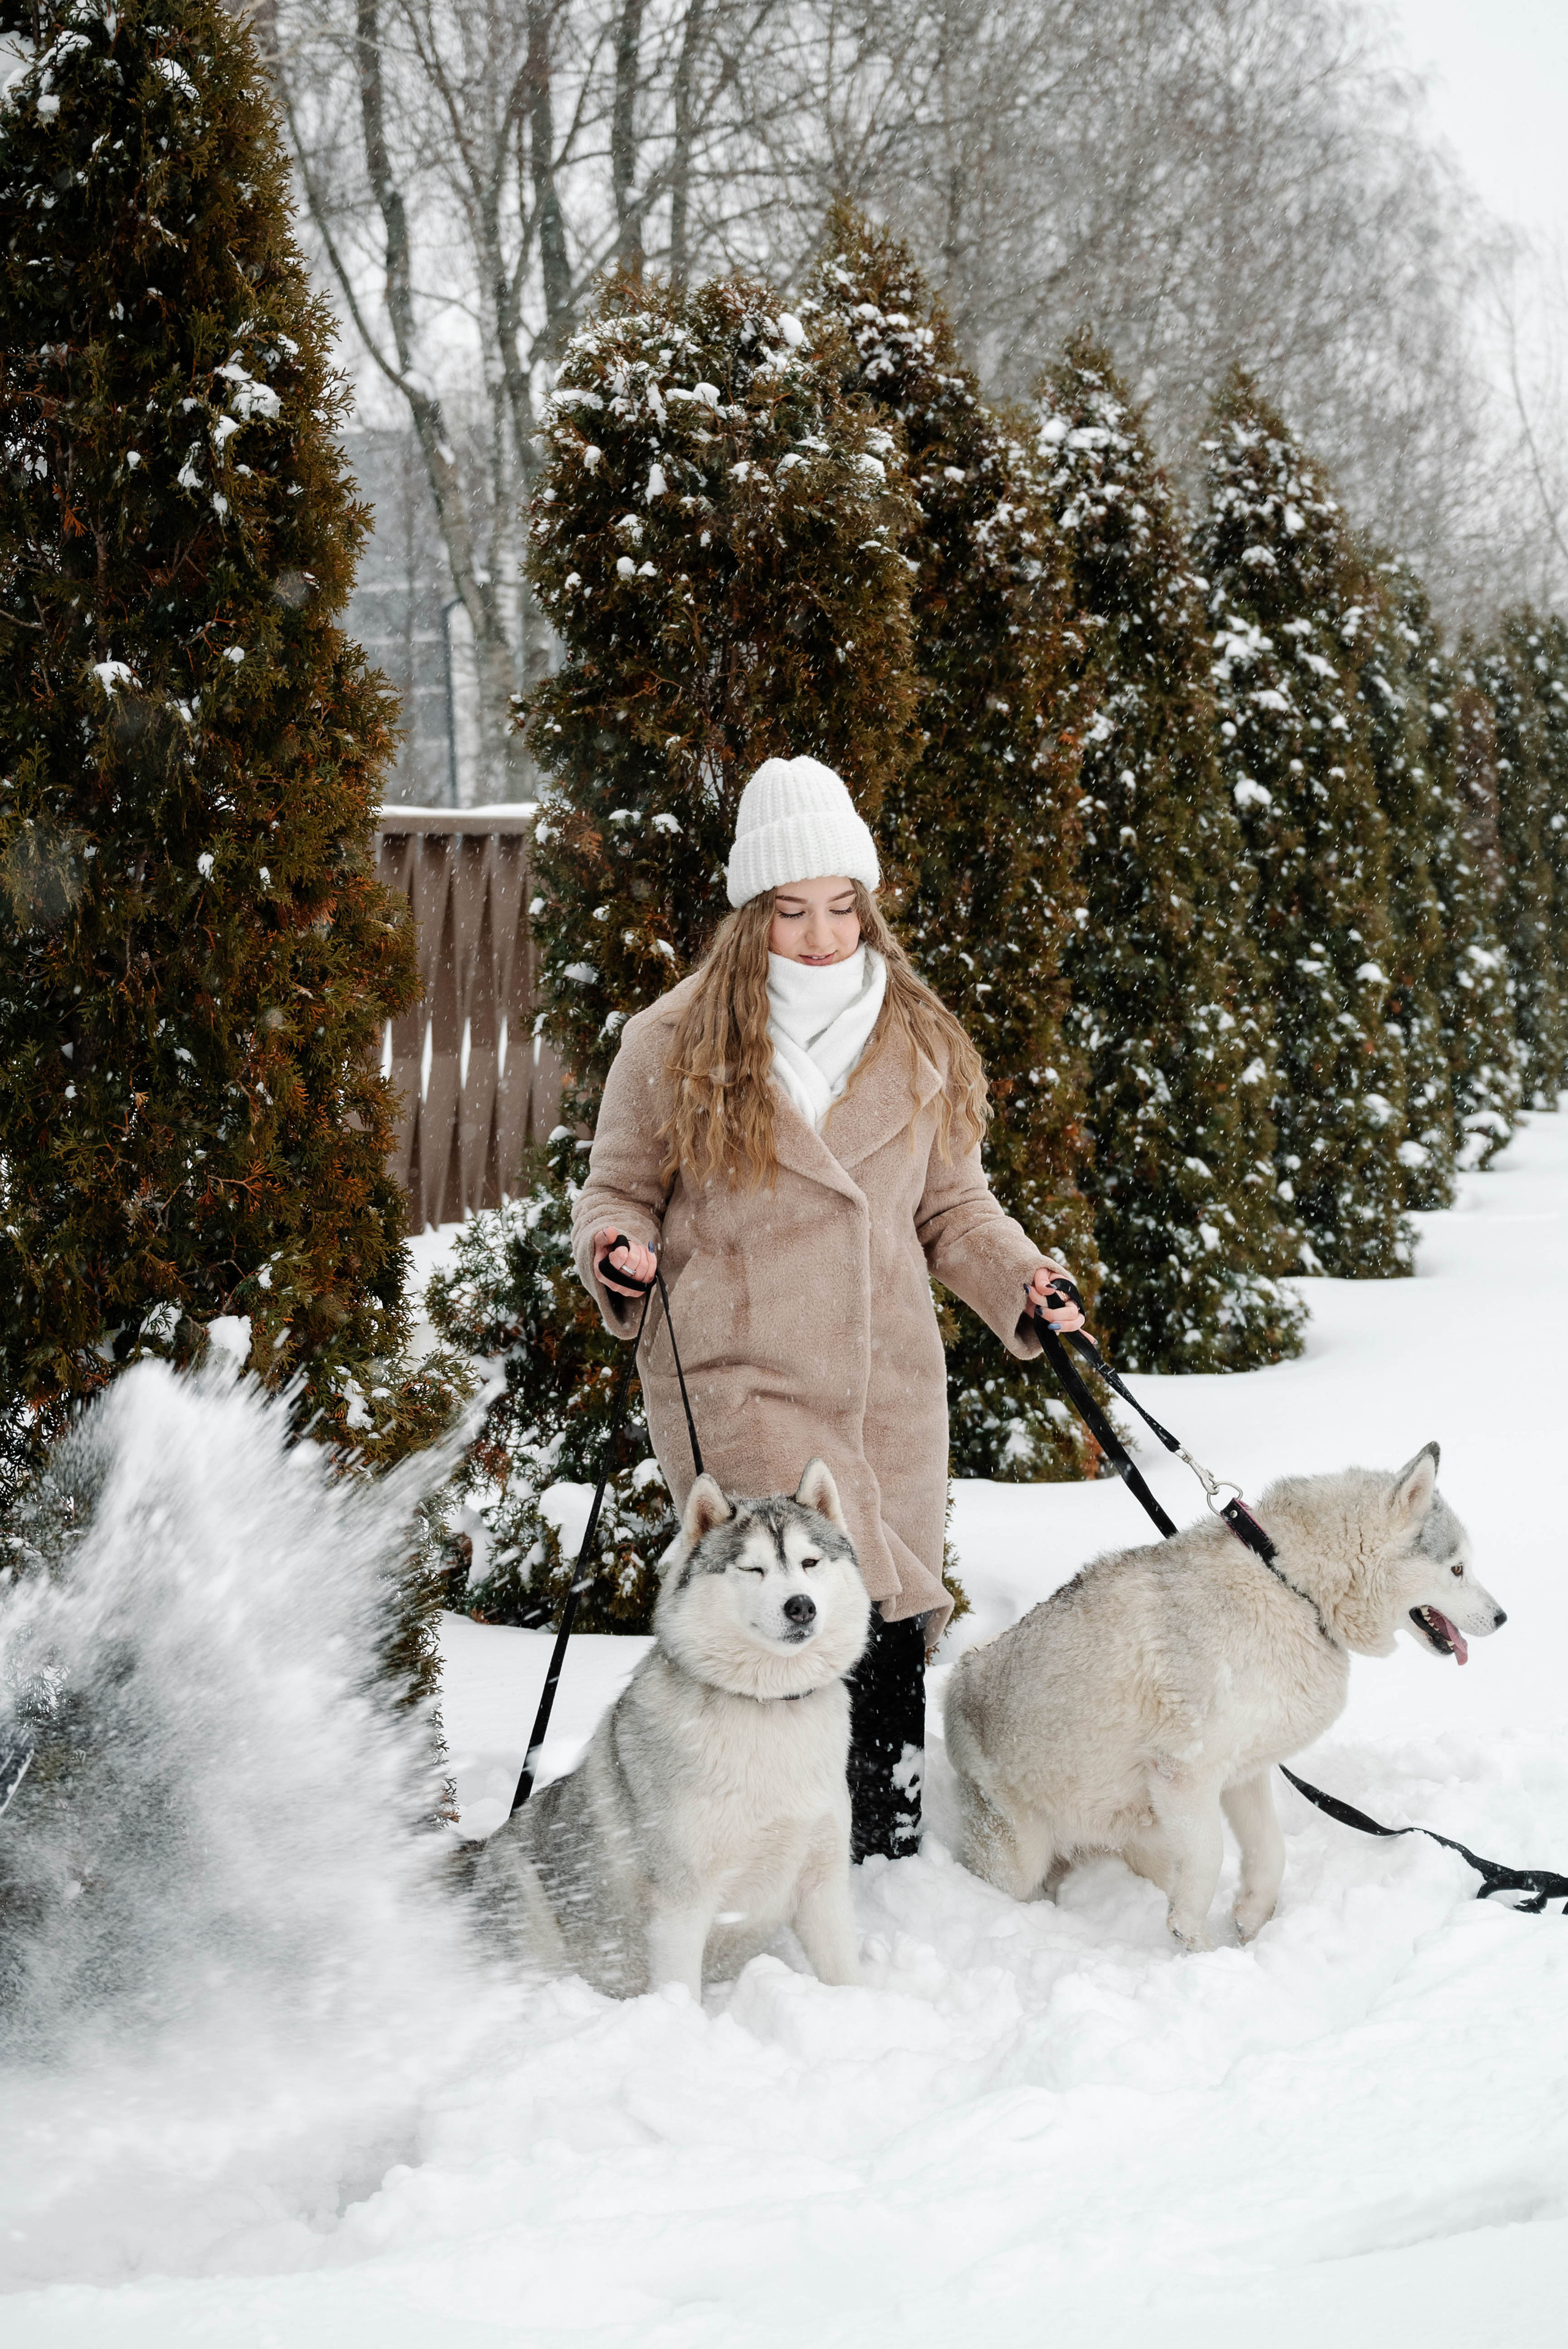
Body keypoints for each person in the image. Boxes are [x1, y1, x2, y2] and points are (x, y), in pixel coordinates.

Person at [573, 755, 1084, 1860]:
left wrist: (1025, 1281)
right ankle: (768, 1850)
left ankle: (884, 1853)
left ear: (868, 903)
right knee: (788, 1615)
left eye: (840, 908)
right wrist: (617, 1249)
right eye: (791, 912)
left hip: (886, 1385)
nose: (818, 936)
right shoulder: (672, 1043)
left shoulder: (918, 1040)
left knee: (888, 1620)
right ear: (752, 914)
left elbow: (955, 1205)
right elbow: (618, 1190)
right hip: (739, 1374)